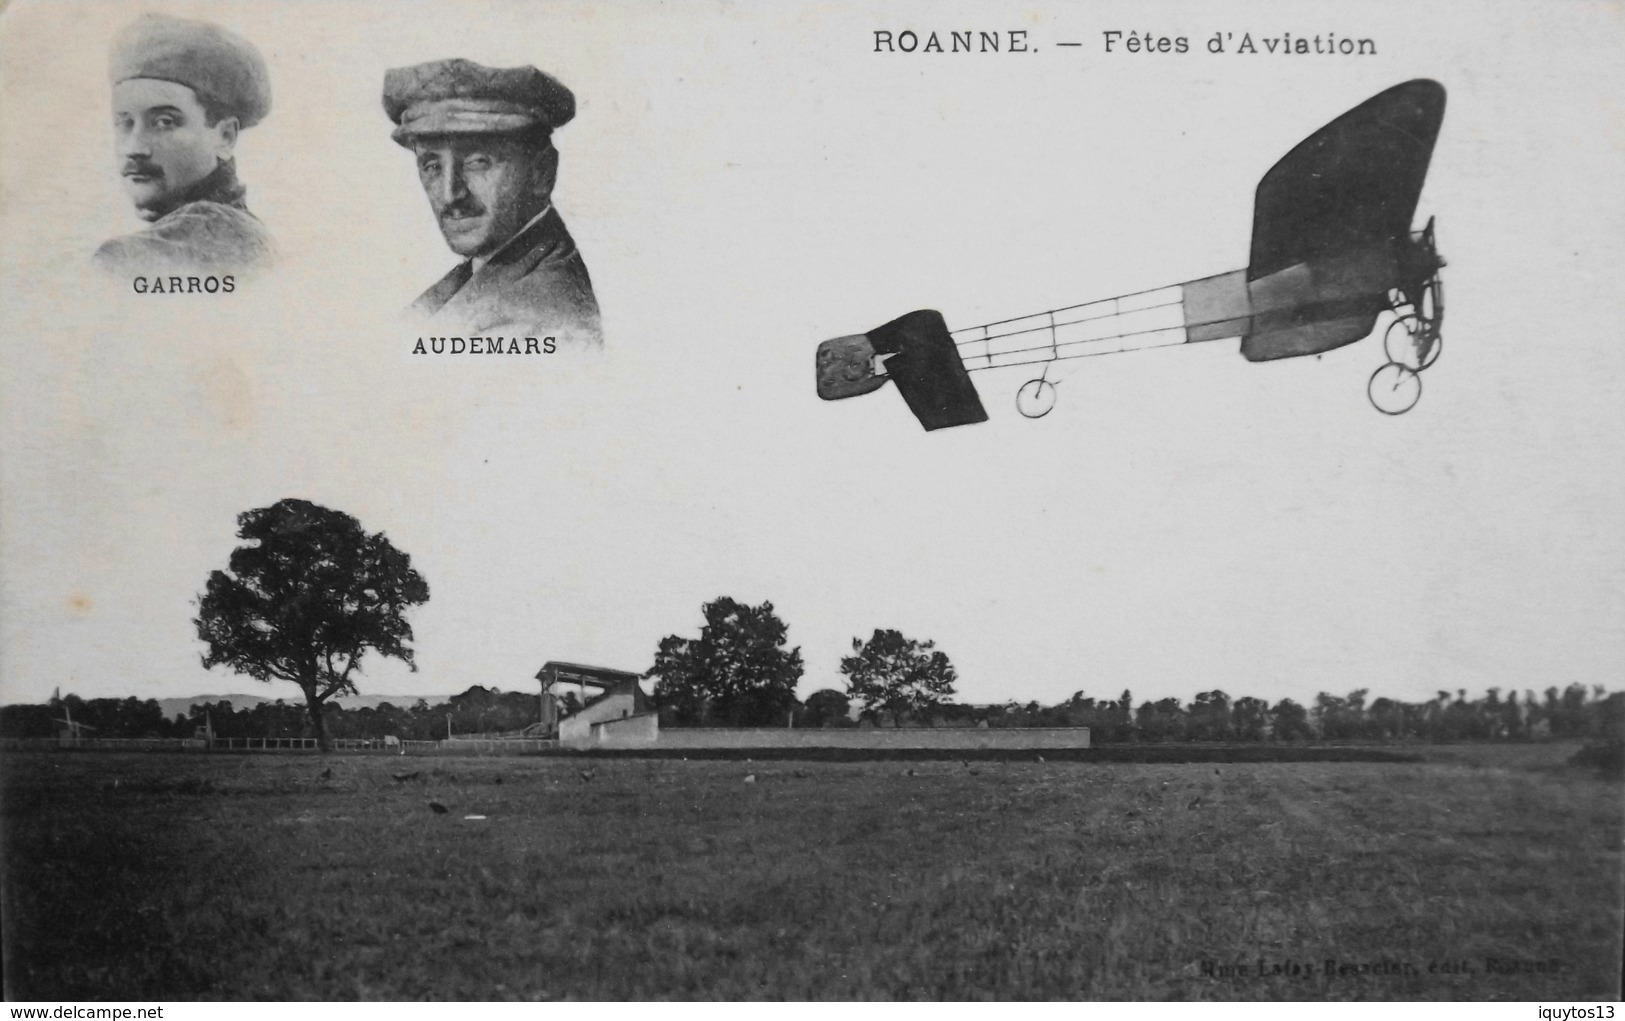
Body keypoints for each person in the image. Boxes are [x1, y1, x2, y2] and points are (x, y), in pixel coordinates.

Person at [383, 58, 602, 346]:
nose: (450, 195)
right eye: (432, 166)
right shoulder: (482, 272)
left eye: (477, 162)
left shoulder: (530, 321)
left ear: (541, 174)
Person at [94, 14, 274, 275]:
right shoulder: (243, 232)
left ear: (225, 137)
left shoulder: (133, 260)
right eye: (125, 123)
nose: (134, 148)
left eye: (164, 122)